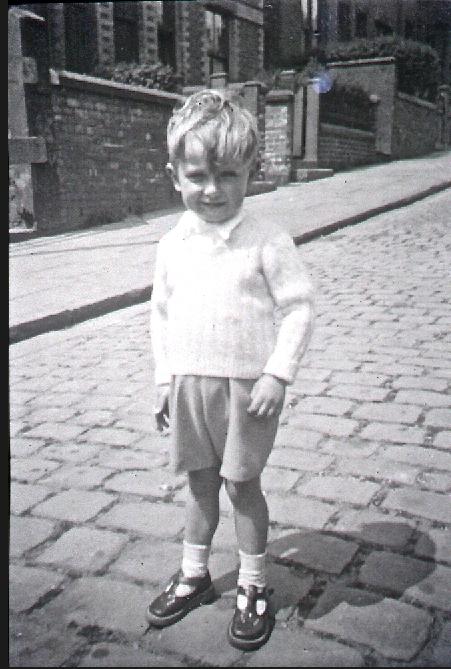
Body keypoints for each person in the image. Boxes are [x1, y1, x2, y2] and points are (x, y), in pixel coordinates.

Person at [146, 89, 315, 651]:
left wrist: (277, 374)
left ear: (251, 173)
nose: (212, 189)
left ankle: (252, 583)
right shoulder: (172, 244)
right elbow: (162, 314)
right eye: (197, 175)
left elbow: (297, 308)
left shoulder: (267, 238)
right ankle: (195, 573)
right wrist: (165, 380)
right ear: (175, 175)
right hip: (192, 385)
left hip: (247, 389)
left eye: (228, 175)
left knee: (242, 487)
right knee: (198, 486)